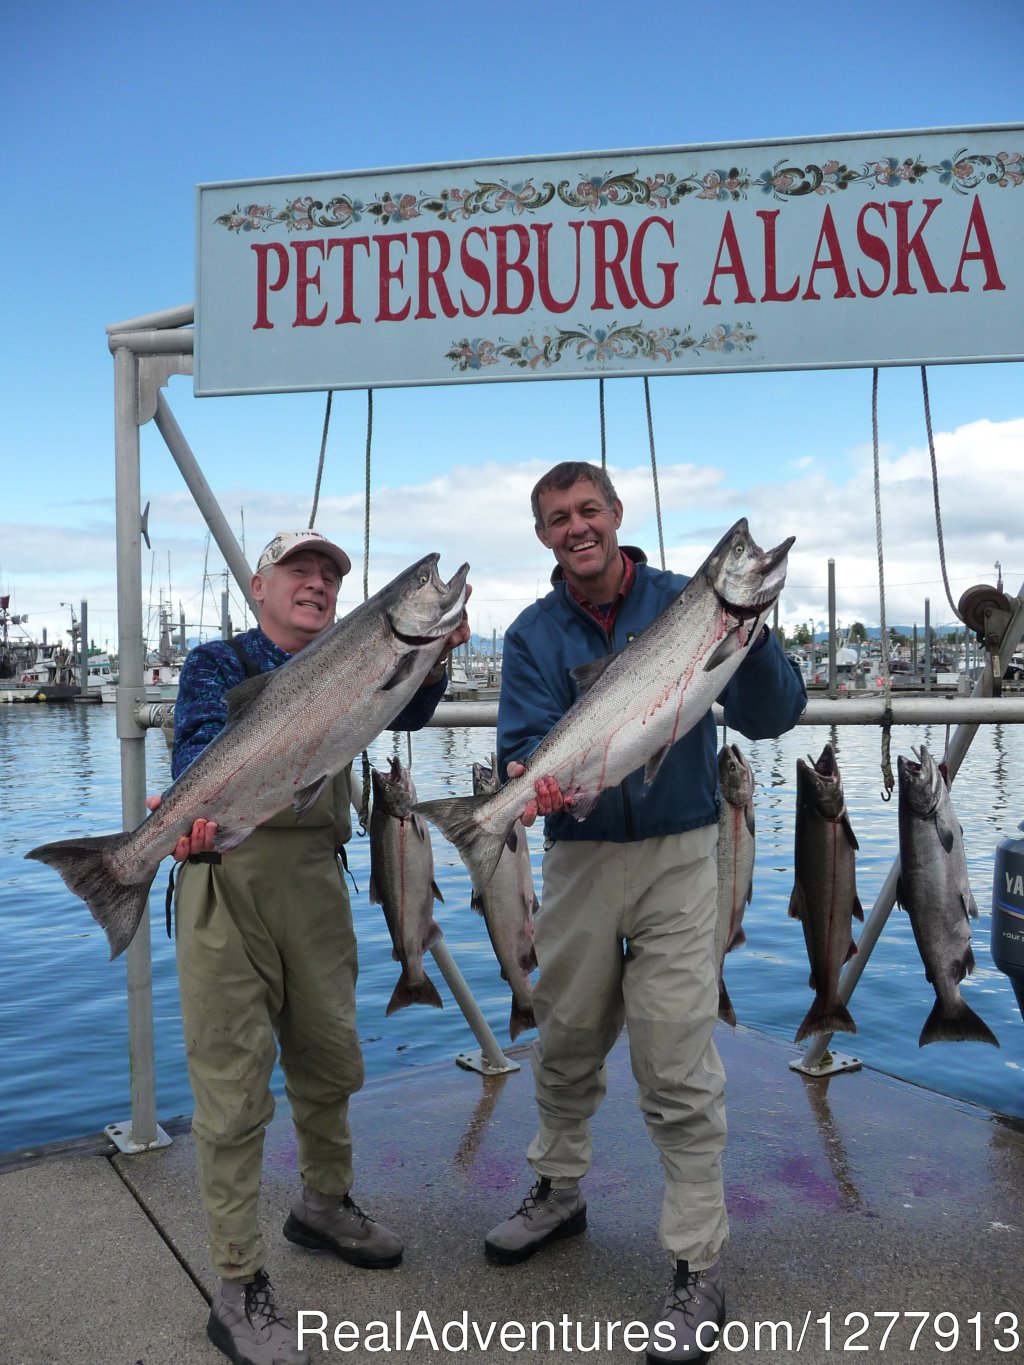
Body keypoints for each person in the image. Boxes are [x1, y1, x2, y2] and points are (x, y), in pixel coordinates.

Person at [484, 463, 805, 1365]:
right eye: (557, 518)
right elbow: (521, 746)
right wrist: (533, 786)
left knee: (676, 1057)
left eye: (589, 511)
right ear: (543, 534)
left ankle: (697, 1264)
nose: (575, 527)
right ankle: (557, 1188)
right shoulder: (531, 635)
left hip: (679, 854)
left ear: (618, 517)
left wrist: (751, 628)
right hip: (579, 861)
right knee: (567, 1037)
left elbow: (775, 715)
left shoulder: (688, 603)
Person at [159, 529, 470, 1365]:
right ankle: (237, 1284)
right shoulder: (214, 663)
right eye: (299, 569)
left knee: (331, 1058)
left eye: (330, 574)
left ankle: (324, 1205)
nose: (317, 583)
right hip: (226, 879)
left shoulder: (354, 653)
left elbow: (406, 707)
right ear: (259, 583)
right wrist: (187, 816)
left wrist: (434, 658)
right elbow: (193, 747)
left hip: (318, 884)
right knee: (231, 1086)